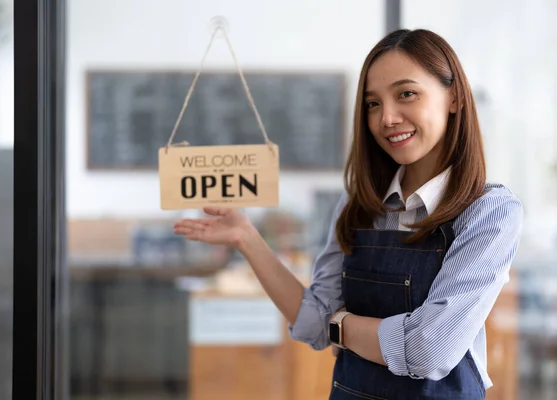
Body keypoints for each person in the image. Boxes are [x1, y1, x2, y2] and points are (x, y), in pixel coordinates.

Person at [174, 28, 523, 400]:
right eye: (373, 104)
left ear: (453, 98)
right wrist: (246, 238)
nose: (387, 118)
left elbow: (429, 350)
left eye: (406, 94)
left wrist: (341, 325)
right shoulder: (357, 205)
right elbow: (312, 321)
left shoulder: (489, 212)